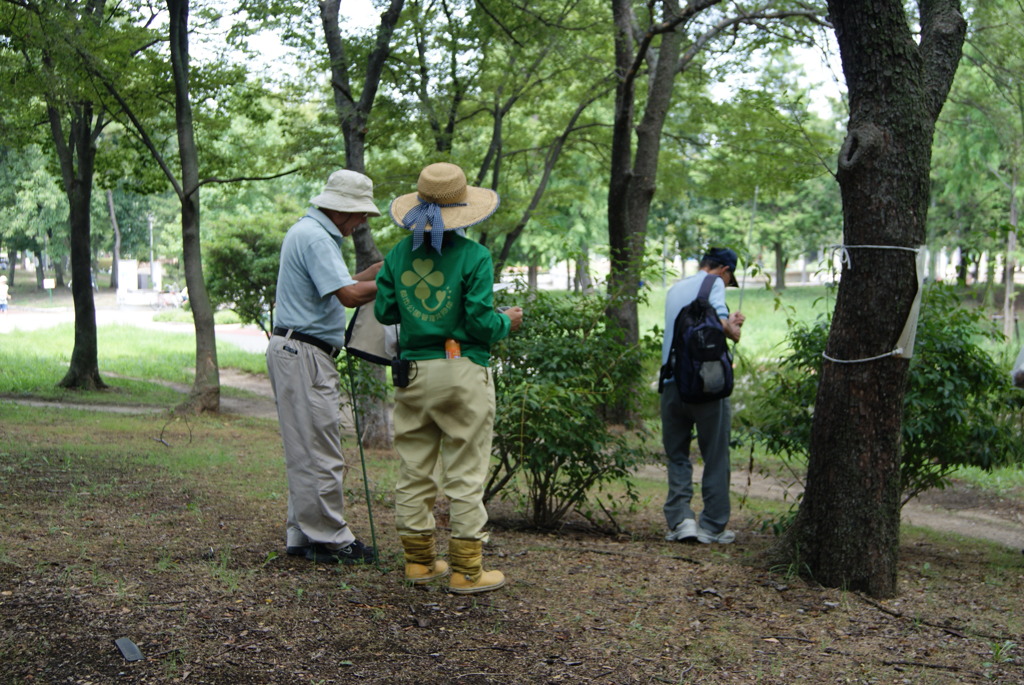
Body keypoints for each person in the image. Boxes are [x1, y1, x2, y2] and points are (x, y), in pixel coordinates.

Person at [374, 162, 523, 594]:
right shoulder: (475, 256)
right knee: (465, 471)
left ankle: (419, 563)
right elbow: (479, 323)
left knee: (414, 469)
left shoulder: (398, 254)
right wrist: (506, 321)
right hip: (461, 372)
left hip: (413, 374)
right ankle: (467, 571)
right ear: (463, 209)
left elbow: (384, 311)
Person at [266, 169, 382, 564]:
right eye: (360, 213)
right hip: (305, 353)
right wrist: (396, 285)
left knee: (306, 447)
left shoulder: (311, 232)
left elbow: (339, 284)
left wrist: (373, 274)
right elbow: (349, 295)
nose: (362, 221)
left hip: (296, 349)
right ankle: (333, 538)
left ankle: (302, 534)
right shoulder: (316, 237)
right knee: (320, 449)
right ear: (342, 209)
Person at [661, 247, 745, 544]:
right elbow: (722, 326)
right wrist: (733, 327)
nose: (727, 282)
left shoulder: (675, 288)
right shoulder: (716, 283)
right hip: (707, 384)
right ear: (724, 270)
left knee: (677, 454)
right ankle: (712, 525)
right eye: (729, 277)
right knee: (715, 455)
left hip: (672, 382)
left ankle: (681, 520)